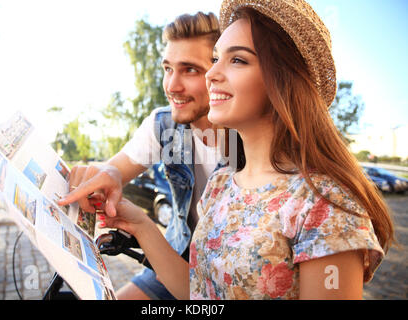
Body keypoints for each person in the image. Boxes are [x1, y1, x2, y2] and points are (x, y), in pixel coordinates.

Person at [100, 0, 396, 300]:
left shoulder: (324, 205)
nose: (211, 74)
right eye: (216, 59)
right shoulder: (220, 185)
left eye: (237, 60)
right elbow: (198, 293)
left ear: (281, 80)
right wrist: (140, 224)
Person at [58, 12, 227, 300]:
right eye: (167, 68)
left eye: (190, 70)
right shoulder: (164, 125)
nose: (172, 86)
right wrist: (105, 175)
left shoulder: (250, 138)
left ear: (221, 74)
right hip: (174, 256)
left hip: (227, 275)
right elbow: (111, 172)